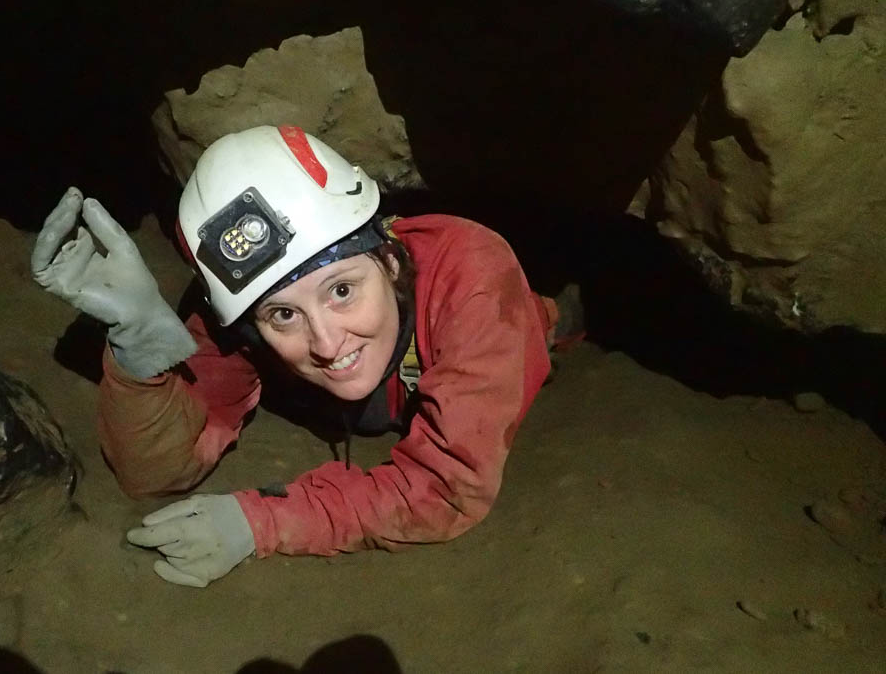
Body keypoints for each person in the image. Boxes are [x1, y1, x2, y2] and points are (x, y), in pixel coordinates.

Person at [31, 125, 581, 588]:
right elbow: (155, 472)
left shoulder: (472, 278)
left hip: (510, 332)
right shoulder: (239, 326)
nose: (326, 342)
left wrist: (265, 521)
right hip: (387, 387)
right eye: (283, 315)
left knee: (563, 317)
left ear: (389, 260)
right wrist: (138, 346)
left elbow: (448, 489)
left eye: (341, 290)